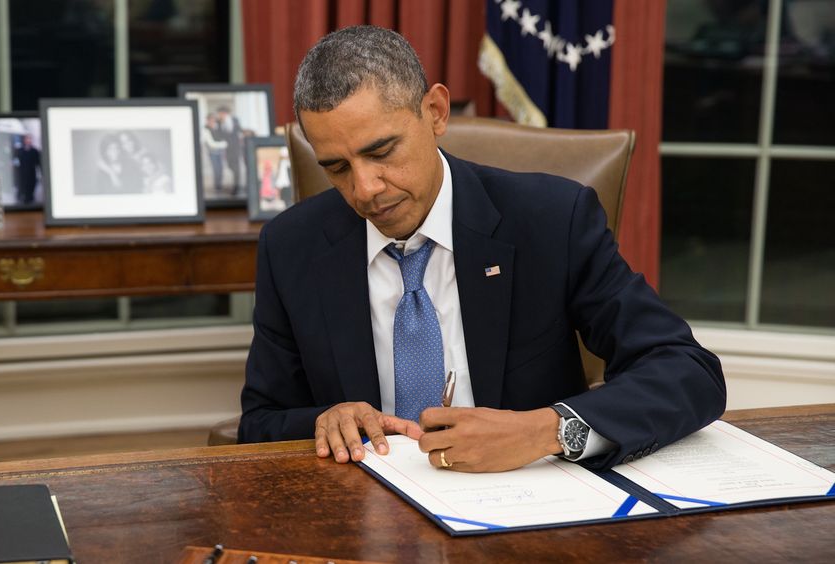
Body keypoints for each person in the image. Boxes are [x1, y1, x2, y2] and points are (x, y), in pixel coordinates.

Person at [238, 25, 726, 473]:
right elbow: (259, 423)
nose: (365, 189)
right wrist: (326, 420)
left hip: (530, 501)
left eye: (381, 152)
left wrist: (546, 430)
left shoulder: (551, 220)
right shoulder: (291, 246)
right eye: (337, 168)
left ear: (436, 112)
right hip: (366, 512)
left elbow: (688, 372)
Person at [215, 106, 246, 195]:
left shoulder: (234, 120)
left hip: (235, 147)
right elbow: (219, 135)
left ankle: (237, 186)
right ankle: (236, 184)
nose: (220, 115)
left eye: (221, 113)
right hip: (227, 148)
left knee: (236, 167)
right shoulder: (219, 123)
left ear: (225, 113)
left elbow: (239, 130)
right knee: (230, 165)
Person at [201, 113, 228, 193]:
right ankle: (217, 187)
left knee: (221, 169)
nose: (213, 121)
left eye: (214, 119)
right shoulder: (205, 129)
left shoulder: (217, 128)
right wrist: (223, 144)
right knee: (216, 169)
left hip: (220, 152)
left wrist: (223, 144)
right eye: (211, 119)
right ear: (208, 120)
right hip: (213, 152)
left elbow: (223, 138)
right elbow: (211, 143)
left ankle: (220, 185)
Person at [12, 134, 42, 204]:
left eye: (29, 139)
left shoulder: (35, 151)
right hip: (22, 173)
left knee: (31, 187)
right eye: (27, 139)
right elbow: (16, 161)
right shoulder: (20, 150)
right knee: (21, 187)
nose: (28, 140)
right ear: (24, 140)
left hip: (31, 173)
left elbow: (38, 163)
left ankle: (29, 198)